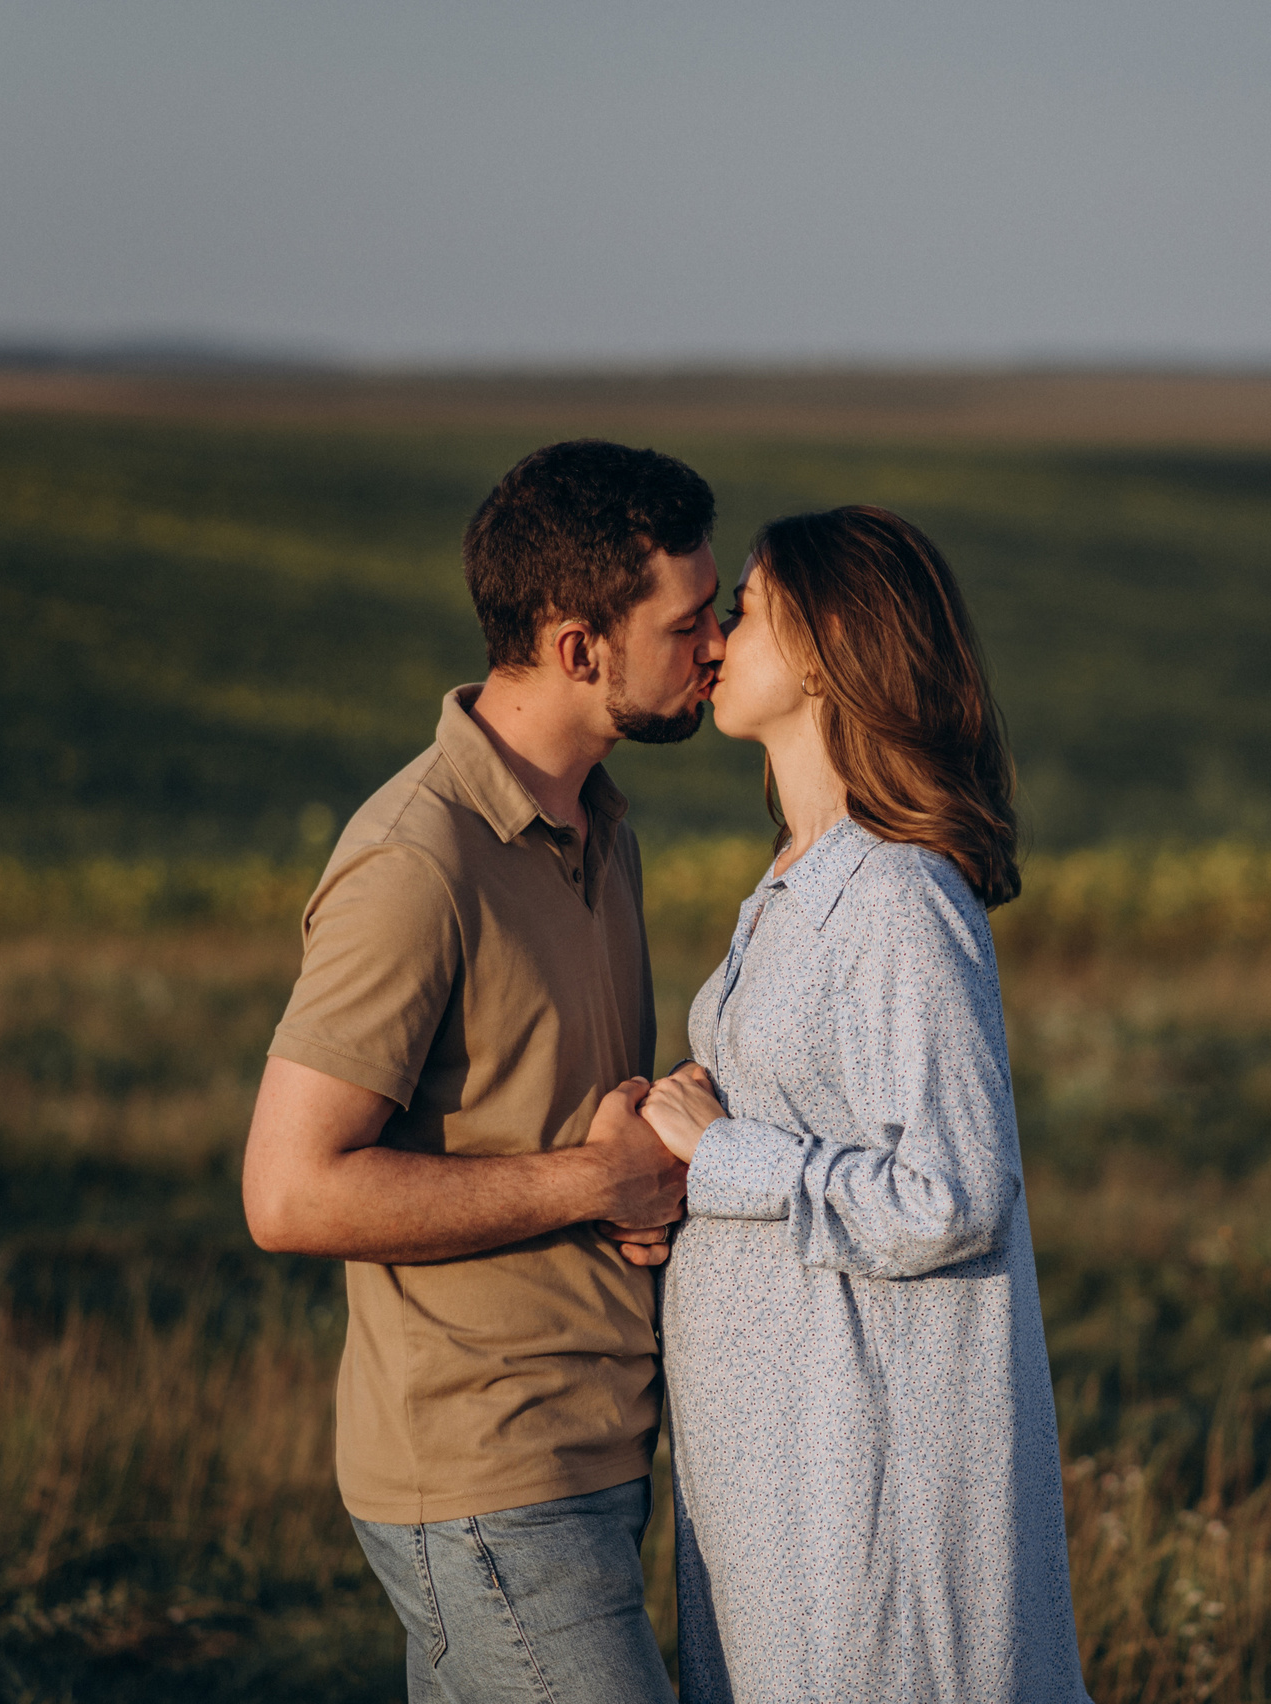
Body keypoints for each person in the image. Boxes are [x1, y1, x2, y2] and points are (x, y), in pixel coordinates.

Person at [240, 439, 723, 1704]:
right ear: (578, 646)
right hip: (484, 1477)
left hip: (595, 1458)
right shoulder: (417, 861)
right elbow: (289, 1194)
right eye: (688, 624)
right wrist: (591, 1181)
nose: (716, 647)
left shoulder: (601, 828)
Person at [636, 506, 1092, 1702]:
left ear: (831, 650)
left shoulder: (895, 895)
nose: (717, 634)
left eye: (746, 607)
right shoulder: (794, 881)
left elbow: (950, 1195)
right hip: (780, 1467)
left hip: (859, 1478)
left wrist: (720, 1155)